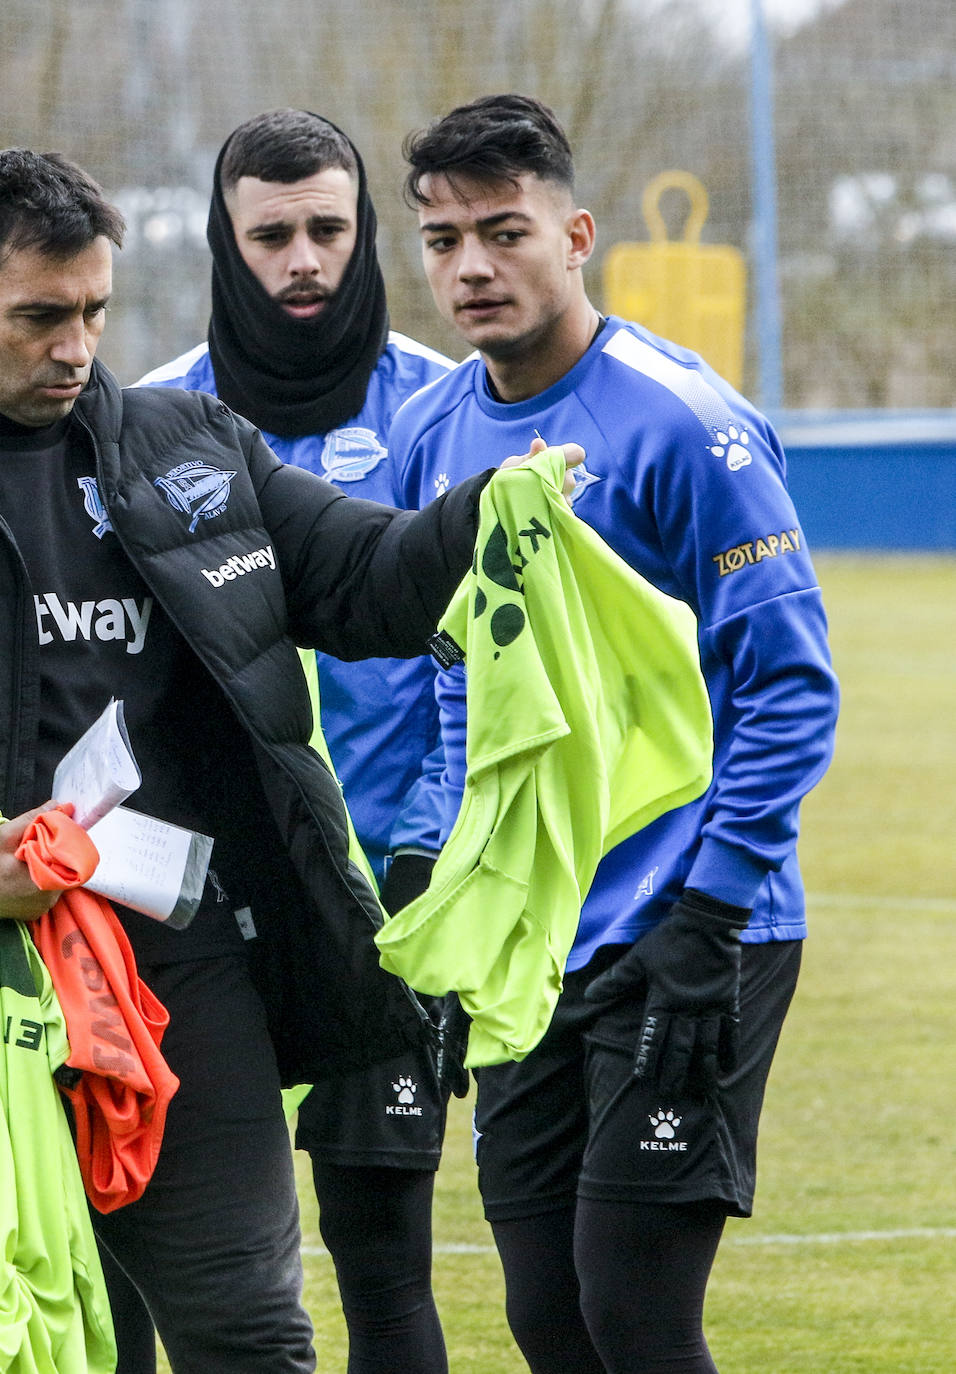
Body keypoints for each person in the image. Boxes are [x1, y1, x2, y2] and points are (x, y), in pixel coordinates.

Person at [0, 147, 579, 1373]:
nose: (75, 347)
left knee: (255, 1334)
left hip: (183, 971)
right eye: (40, 316)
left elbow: (365, 580)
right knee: (38, 1339)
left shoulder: (188, 445)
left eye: (96, 312)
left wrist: (490, 513)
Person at [390, 95, 839, 1373]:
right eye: (441, 240)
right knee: (546, 1317)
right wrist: (441, 879)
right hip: (536, 940)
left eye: (504, 231)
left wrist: (711, 915)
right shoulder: (434, 435)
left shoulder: (684, 425)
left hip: (697, 925)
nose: (471, 267)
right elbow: (454, 687)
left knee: (634, 1311)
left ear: (575, 234)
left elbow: (790, 689)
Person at [137, 108, 456, 1374]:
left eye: (329, 228)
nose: (304, 259)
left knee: (384, 1257)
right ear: (226, 241)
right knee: (161, 1257)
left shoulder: (442, 408)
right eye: (271, 234)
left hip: (382, 903)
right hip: (192, 917)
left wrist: (433, 849)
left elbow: (473, 664)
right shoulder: (145, 419)